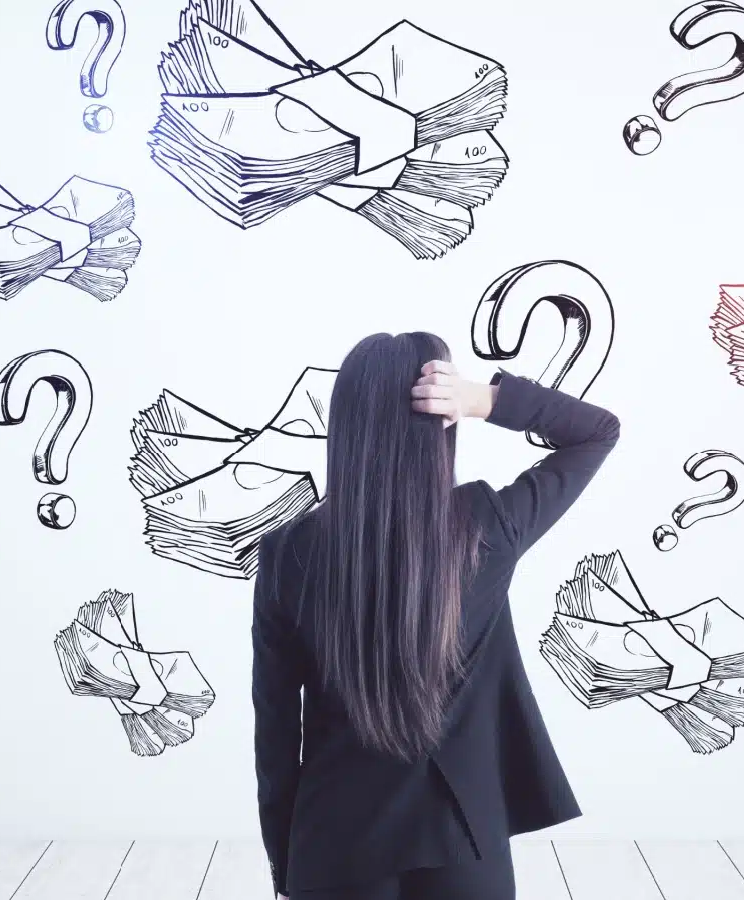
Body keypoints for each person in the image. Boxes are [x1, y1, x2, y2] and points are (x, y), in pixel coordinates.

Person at [252, 332, 621, 900]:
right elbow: (597, 430)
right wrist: (484, 400)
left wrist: (286, 861)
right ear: (436, 425)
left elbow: (275, 732)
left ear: (344, 428)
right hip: (464, 839)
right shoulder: (486, 527)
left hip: (333, 845)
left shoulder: (286, 553)